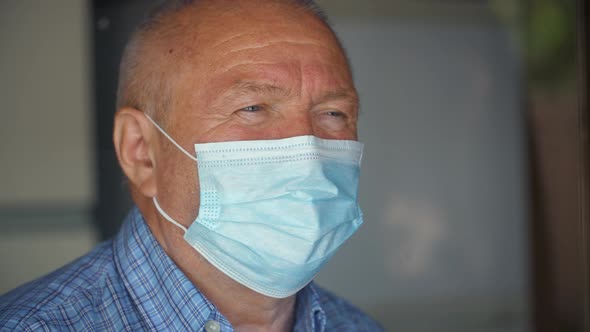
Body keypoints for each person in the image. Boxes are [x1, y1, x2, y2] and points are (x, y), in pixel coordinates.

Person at [0, 0, 383, 330]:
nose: (309, 151)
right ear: (141, 152)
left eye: (333, 113)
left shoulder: (356, 326)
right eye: (251, 108)